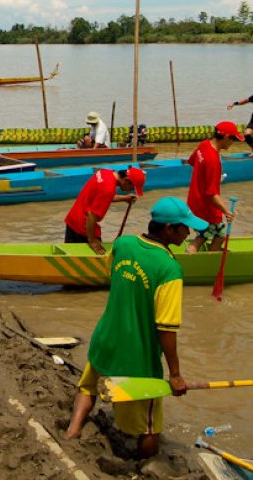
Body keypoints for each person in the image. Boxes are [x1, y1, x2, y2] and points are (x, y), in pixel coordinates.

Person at [66, 196, 208, 459]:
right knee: (149, 427)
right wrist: (175, 373)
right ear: (169, 229)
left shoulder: (124, 243)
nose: (188, 233)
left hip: (106, 338)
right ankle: (145, 467)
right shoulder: (169, 269)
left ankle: (72, 430)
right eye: (184, 228)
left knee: (88, 386)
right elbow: (166, 327)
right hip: (136, 357)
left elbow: (113, 275)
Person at [186, 121, 242, 253]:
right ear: (226, 137)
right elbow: (212, 194)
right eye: (233, 139)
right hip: (206, 206)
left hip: (194, 200)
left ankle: (201, 253)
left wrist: (211, 178)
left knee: (204, 233)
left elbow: (192, 161)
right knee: (219, 233)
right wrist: (226, 211)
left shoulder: (204, 144)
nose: (233, 143)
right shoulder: (214, 161)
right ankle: (208, 255)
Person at [64, 165, 146, 254]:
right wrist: (92, 240)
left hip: (73, 220)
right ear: (127, 181)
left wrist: (124, 198)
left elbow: (101, 196)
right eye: (133, 187)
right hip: (83, 228)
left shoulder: (106, 172)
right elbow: (91, 215)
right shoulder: (108, 189)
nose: (131, 190)